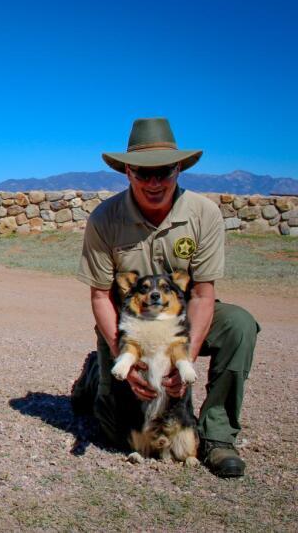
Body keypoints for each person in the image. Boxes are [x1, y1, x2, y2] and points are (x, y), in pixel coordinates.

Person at [71, 117, 258, 478]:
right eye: (144, 173)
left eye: (164, 171)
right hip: (130, 328)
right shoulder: (104, 219)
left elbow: (203, 295)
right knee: (114, 436)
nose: (155, 182)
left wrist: (183, 358)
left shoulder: (204, 214)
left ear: (179, 168)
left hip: (182, 319)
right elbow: (99, 297)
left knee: (238, 324)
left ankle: (217, 436)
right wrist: (128, 359)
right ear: (128, 171)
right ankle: (96, 373)